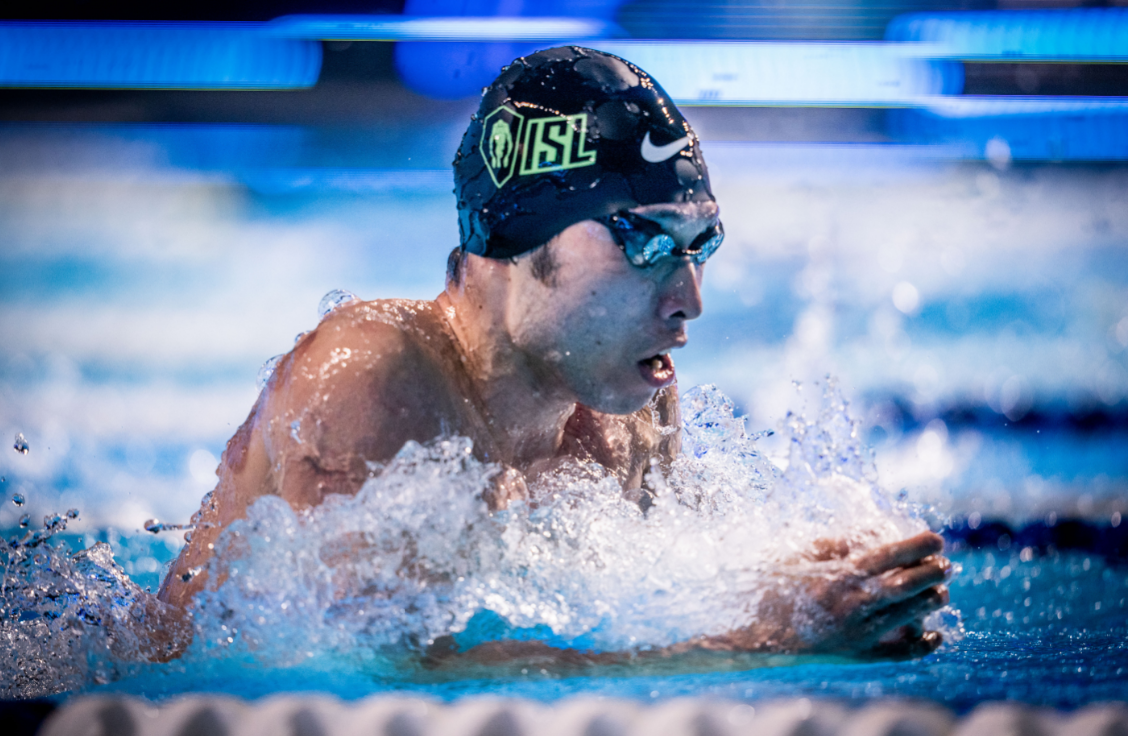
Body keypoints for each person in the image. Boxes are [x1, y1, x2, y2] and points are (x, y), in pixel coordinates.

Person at [158, 46, 950, 662]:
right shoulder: (375, 379)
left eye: (698, 244)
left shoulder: (625, 402)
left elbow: (674, 594)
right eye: (644, 243)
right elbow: (374, 677)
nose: (689, 299)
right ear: (520, 235)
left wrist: (821, 592)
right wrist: (758, 640)